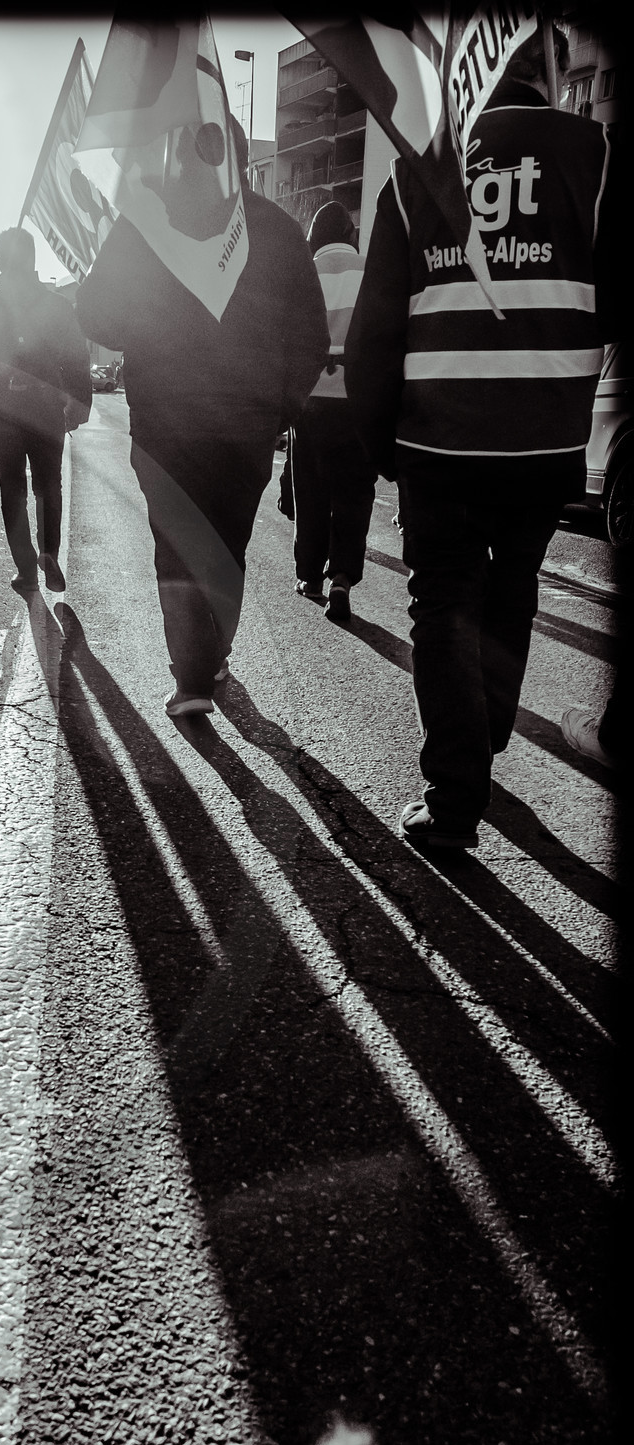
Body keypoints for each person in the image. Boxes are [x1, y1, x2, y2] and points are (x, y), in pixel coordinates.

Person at [346, 23, 623, 850]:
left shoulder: (414, 172)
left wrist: (382, 447)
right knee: (513, 586)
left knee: (441, 603)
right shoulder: (599, 158)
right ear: (546, 67)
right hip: (544, 446)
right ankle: (489, 726)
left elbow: (372, 336)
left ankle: (455, 793)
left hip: (439, 445)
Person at [77, 118, 329, 717]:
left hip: (165, 419)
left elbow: (94, 316)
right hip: (246, 422)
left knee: (175, 541)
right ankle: (211, 656)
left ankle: (192, 678)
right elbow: (312, 337)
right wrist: (280, 407)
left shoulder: (144, 225)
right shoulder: (276, 229)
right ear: (241, 160)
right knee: (228, 543)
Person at [0, 228, 93, 593]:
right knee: (49, 485)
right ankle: (48, 554)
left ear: (0, 262)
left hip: (4, 410)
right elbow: (77, 359)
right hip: (44, 407)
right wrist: (80, 401)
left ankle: (26, 566)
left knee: (12, 488)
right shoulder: (56, 306)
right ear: (33, 260)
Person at [290, 201, 376, 621]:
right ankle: (342, 575)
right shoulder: (371, 272)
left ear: (315, 237)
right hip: (360, 402)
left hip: (311, 402)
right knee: (354, 494)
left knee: (310, 491)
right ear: (350, 233)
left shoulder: (304, 273)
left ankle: (309, 575)